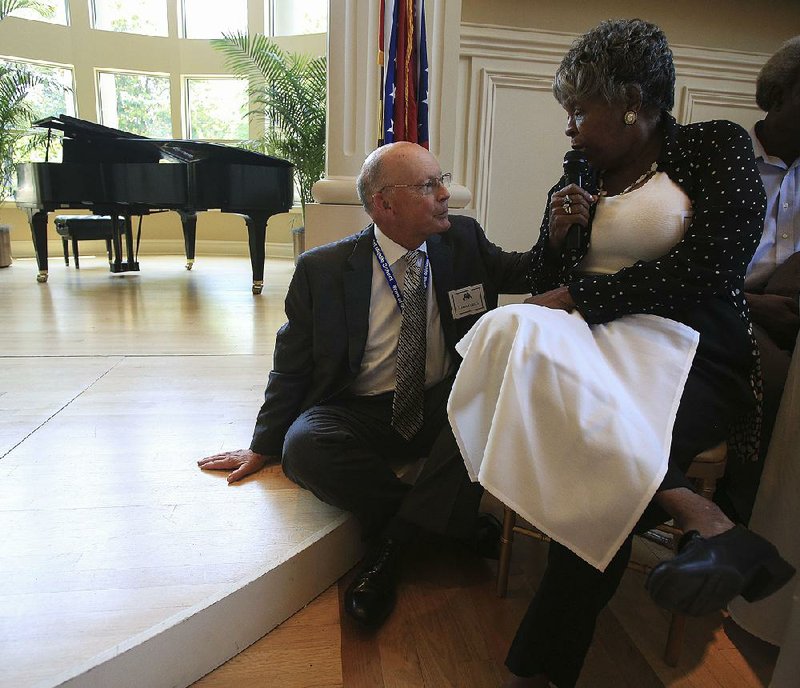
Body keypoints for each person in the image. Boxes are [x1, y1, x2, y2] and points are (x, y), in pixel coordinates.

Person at [445, 19, 795, 688]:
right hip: (593, 350)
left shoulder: (713, 148)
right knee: (506, 328)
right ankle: (705, 518)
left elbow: (712, 267)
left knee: (602, 488)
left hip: (690, 352)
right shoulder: (579, 170)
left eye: (579, 109)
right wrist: (557, 236)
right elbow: (550, 269)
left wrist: (576, 295)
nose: (569, 127)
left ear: (630, 100)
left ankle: (539, 673)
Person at [198, 141, 534, 628]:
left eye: (442, 179)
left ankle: (391, 549)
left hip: (441, 399)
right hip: (363, 407)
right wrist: (263, 444)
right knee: (304, 446)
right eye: (428, 186)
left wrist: (561, 227)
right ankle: (447, 528)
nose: (447, 194)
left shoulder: (463, 239)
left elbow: (526, 269)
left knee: (485, 405)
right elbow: (290, 365)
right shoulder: (324, 270)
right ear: (384, 204)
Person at [720, 36, 800, 524]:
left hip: (791, 306)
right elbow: (680, 273)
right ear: (779, 94)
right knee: (776, 382)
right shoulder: (720, 159)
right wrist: (754, 305)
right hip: (729, 307)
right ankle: (749, 515)